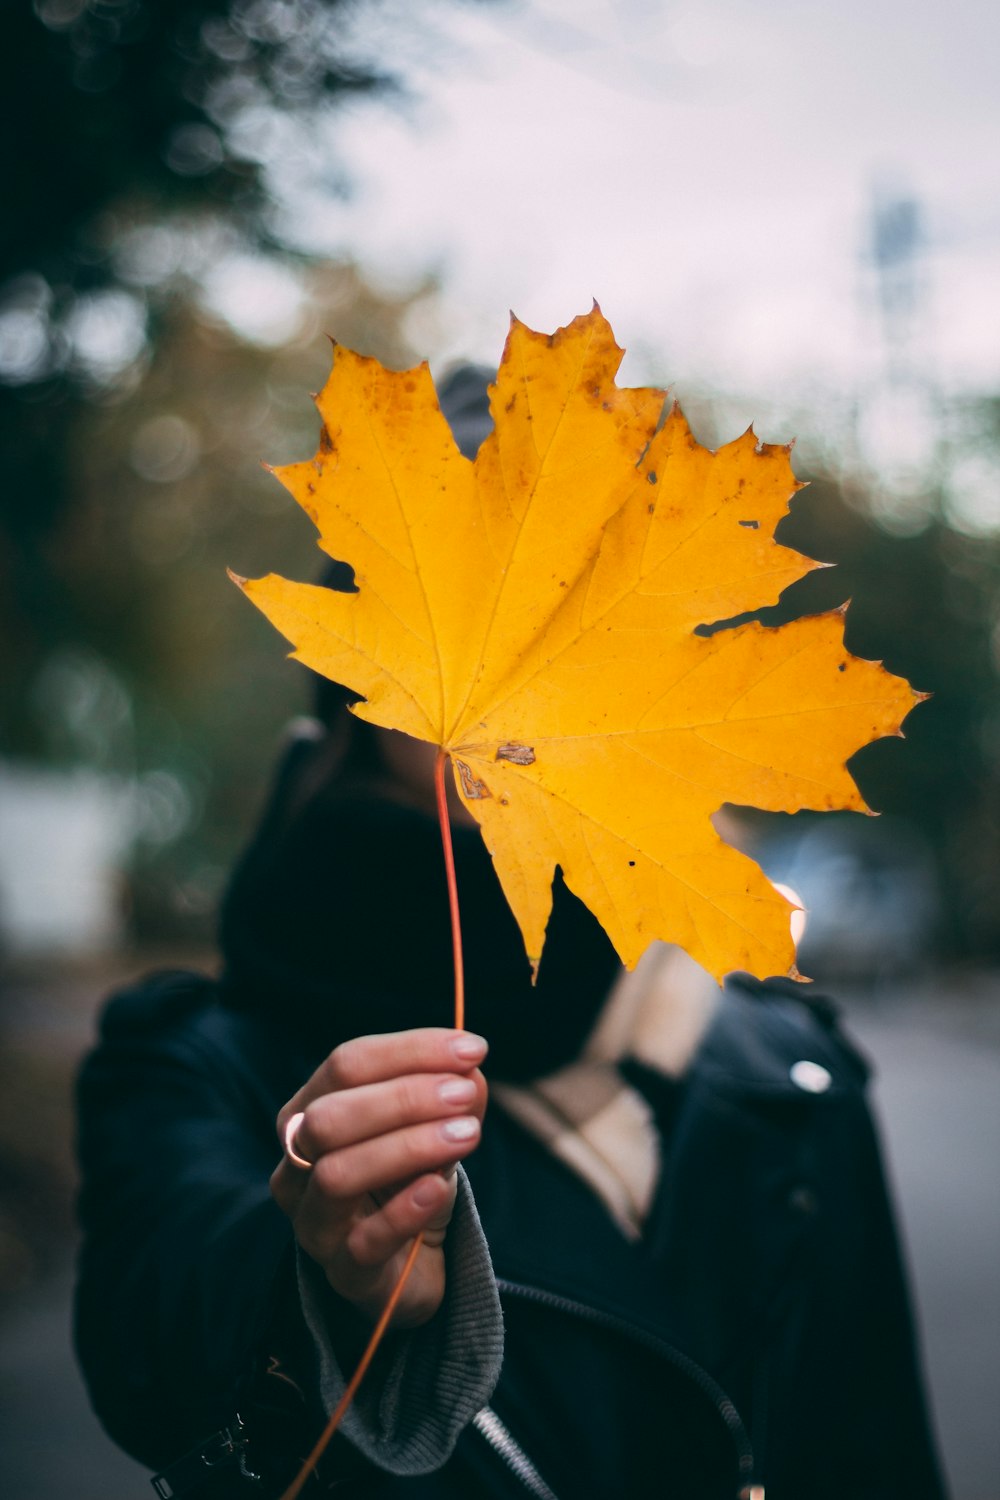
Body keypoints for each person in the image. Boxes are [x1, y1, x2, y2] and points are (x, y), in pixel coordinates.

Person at [74, 369, 948, 1500]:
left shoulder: (791, 1067)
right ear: (364, 681)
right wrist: (323, 1284)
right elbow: (155, 1350)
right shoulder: (199, 1062)